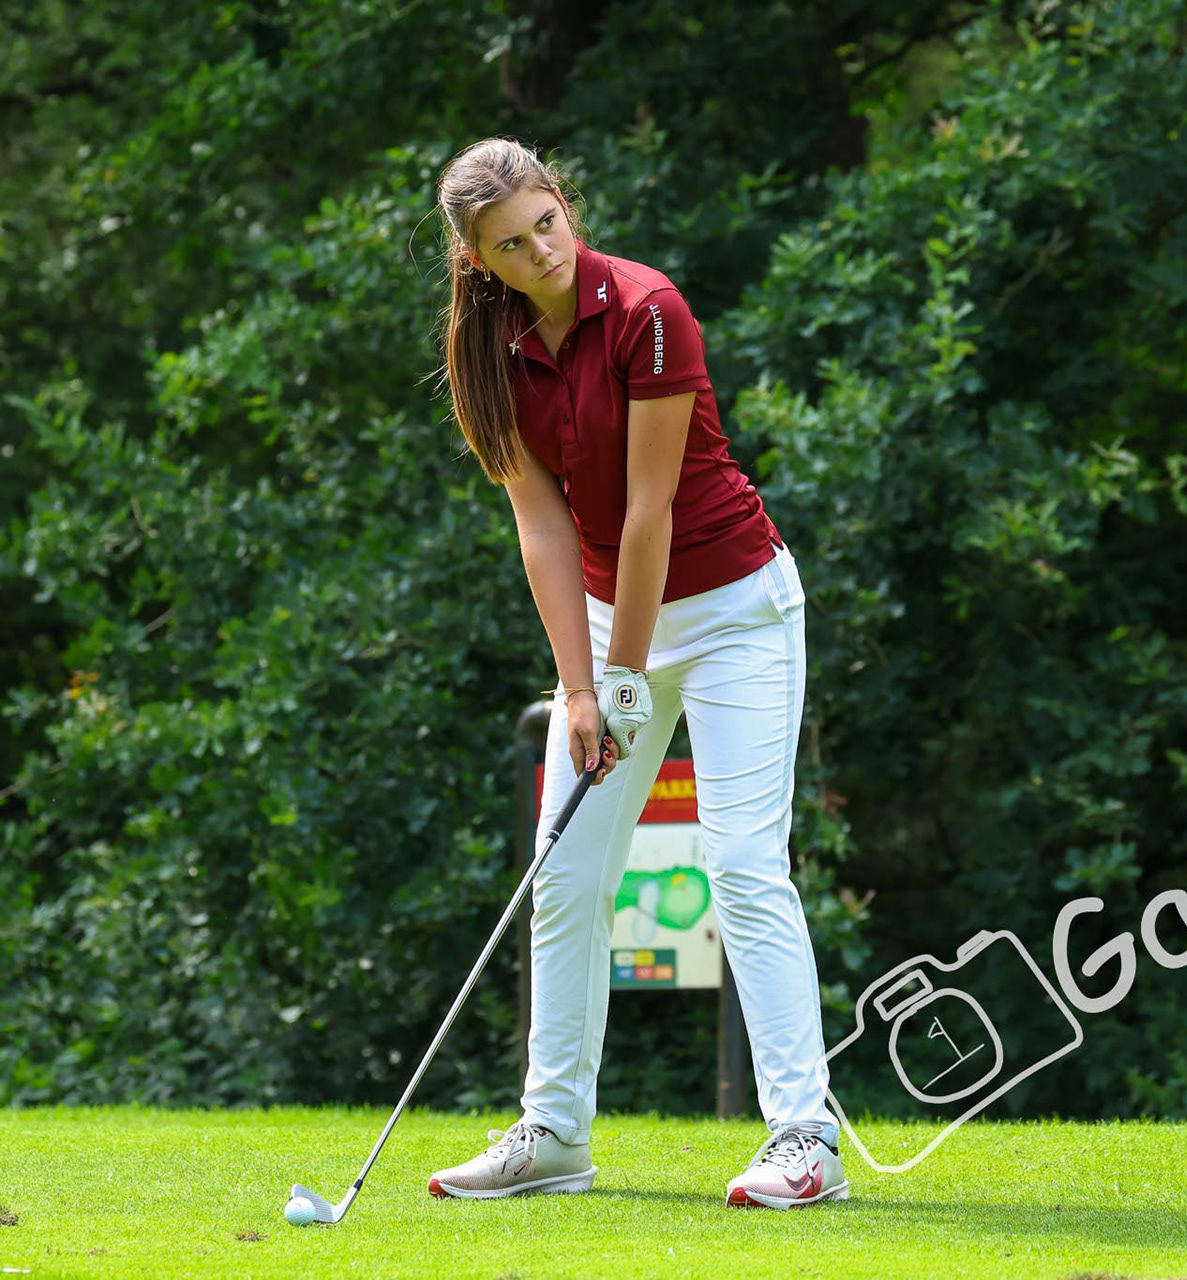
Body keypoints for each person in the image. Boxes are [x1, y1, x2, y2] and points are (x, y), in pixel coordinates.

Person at [424, 136, 846, 1210]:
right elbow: (546, 532)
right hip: (614, 621)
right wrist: (580, 688)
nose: (543, 249)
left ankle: (807, 1140)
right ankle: (555, 1130)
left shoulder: (650, 310)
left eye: (547, 221)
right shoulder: (494, 356)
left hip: (737, 612)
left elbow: (648, 512)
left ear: (565, 202)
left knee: (743, 866)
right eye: (513, 244)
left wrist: (619, 682)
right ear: (481, 263)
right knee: (564, 874)